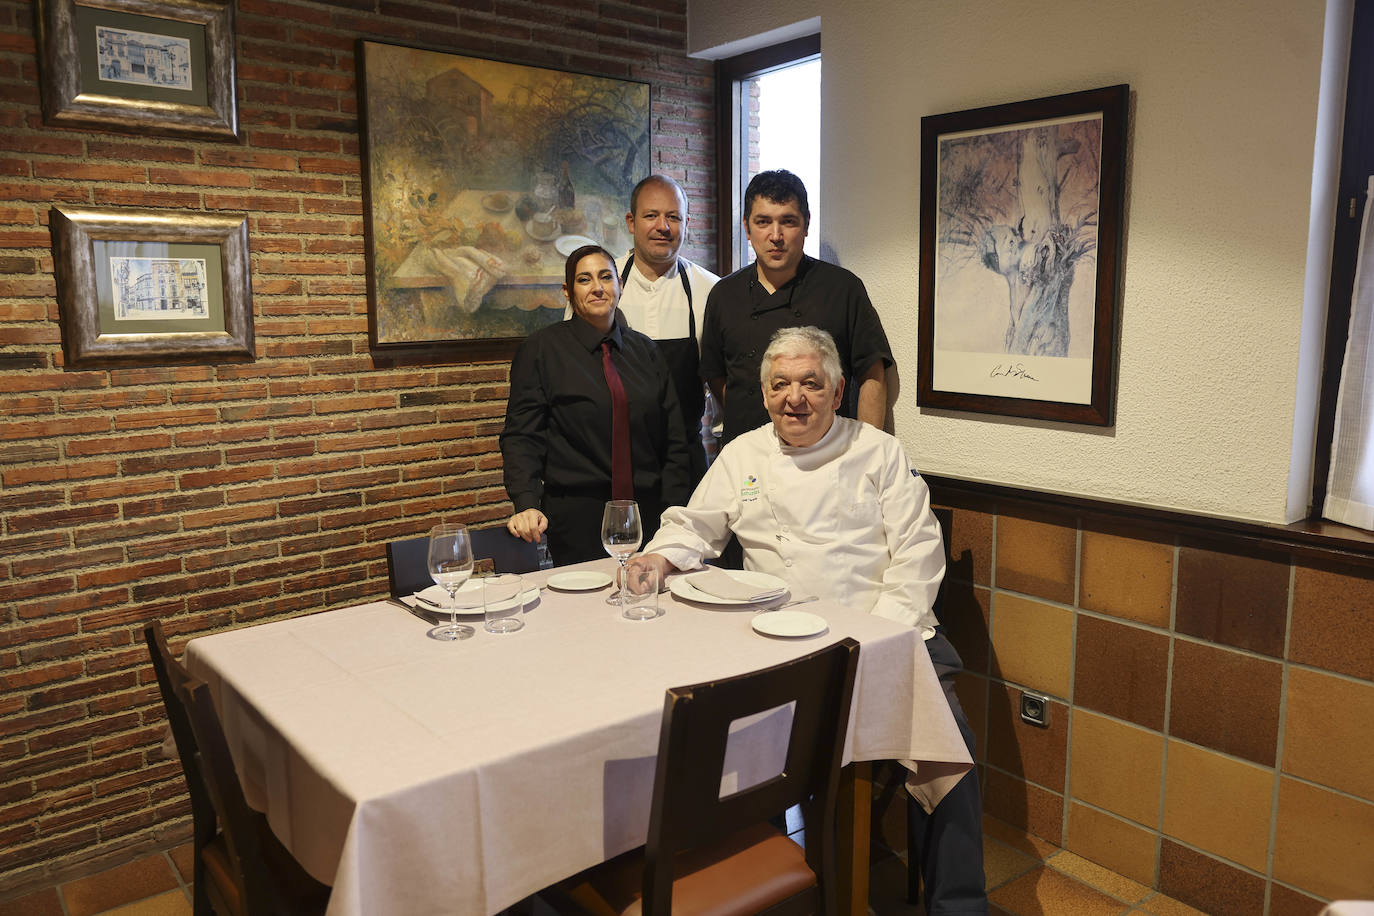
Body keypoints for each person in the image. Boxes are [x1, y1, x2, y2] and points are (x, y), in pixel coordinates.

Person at [629, 326, 988, 916]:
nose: (795, 397)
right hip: (777, 643)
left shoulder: (878, 451)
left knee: (949, 751)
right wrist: (659, 556)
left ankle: (959, 907)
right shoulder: (743, 453)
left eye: (810, 383)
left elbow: (920, 555)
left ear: (839, 390)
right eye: (781, 385)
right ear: (765, 394)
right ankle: (767, 885)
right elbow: (696, 525)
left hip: (890, 635)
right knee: (715, 727)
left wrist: (879, 640)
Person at [501, 245, 691, 565]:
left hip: (648, 511)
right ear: (567, 291)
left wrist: (673, 511)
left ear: (620, 285)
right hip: (577, 516)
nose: (598, 287)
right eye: (584, 280)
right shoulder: (542, 350)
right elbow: (522, 436)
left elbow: (674, 439)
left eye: (606, 277)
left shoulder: (645, 351)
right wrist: (526, 501)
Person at [700, 169, 894, 446]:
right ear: (747, 227)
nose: (775, 235)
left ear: (805, 225)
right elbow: (715, 373)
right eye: (763, 222)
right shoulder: (723, 293)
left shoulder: (843, 288)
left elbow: (873, 375)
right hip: (748, 454)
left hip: (827, 451)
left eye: (788, 222)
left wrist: (869, 453)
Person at [567, 175, 720, 483]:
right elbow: (573, 373)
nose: (662, 226)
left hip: (685, 463)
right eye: (651, 215)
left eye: (673, 217)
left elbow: (720, 387)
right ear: (631, 222)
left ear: (686, 223)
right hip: (609, 463)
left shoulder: (711, 291)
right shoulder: (600, 289)